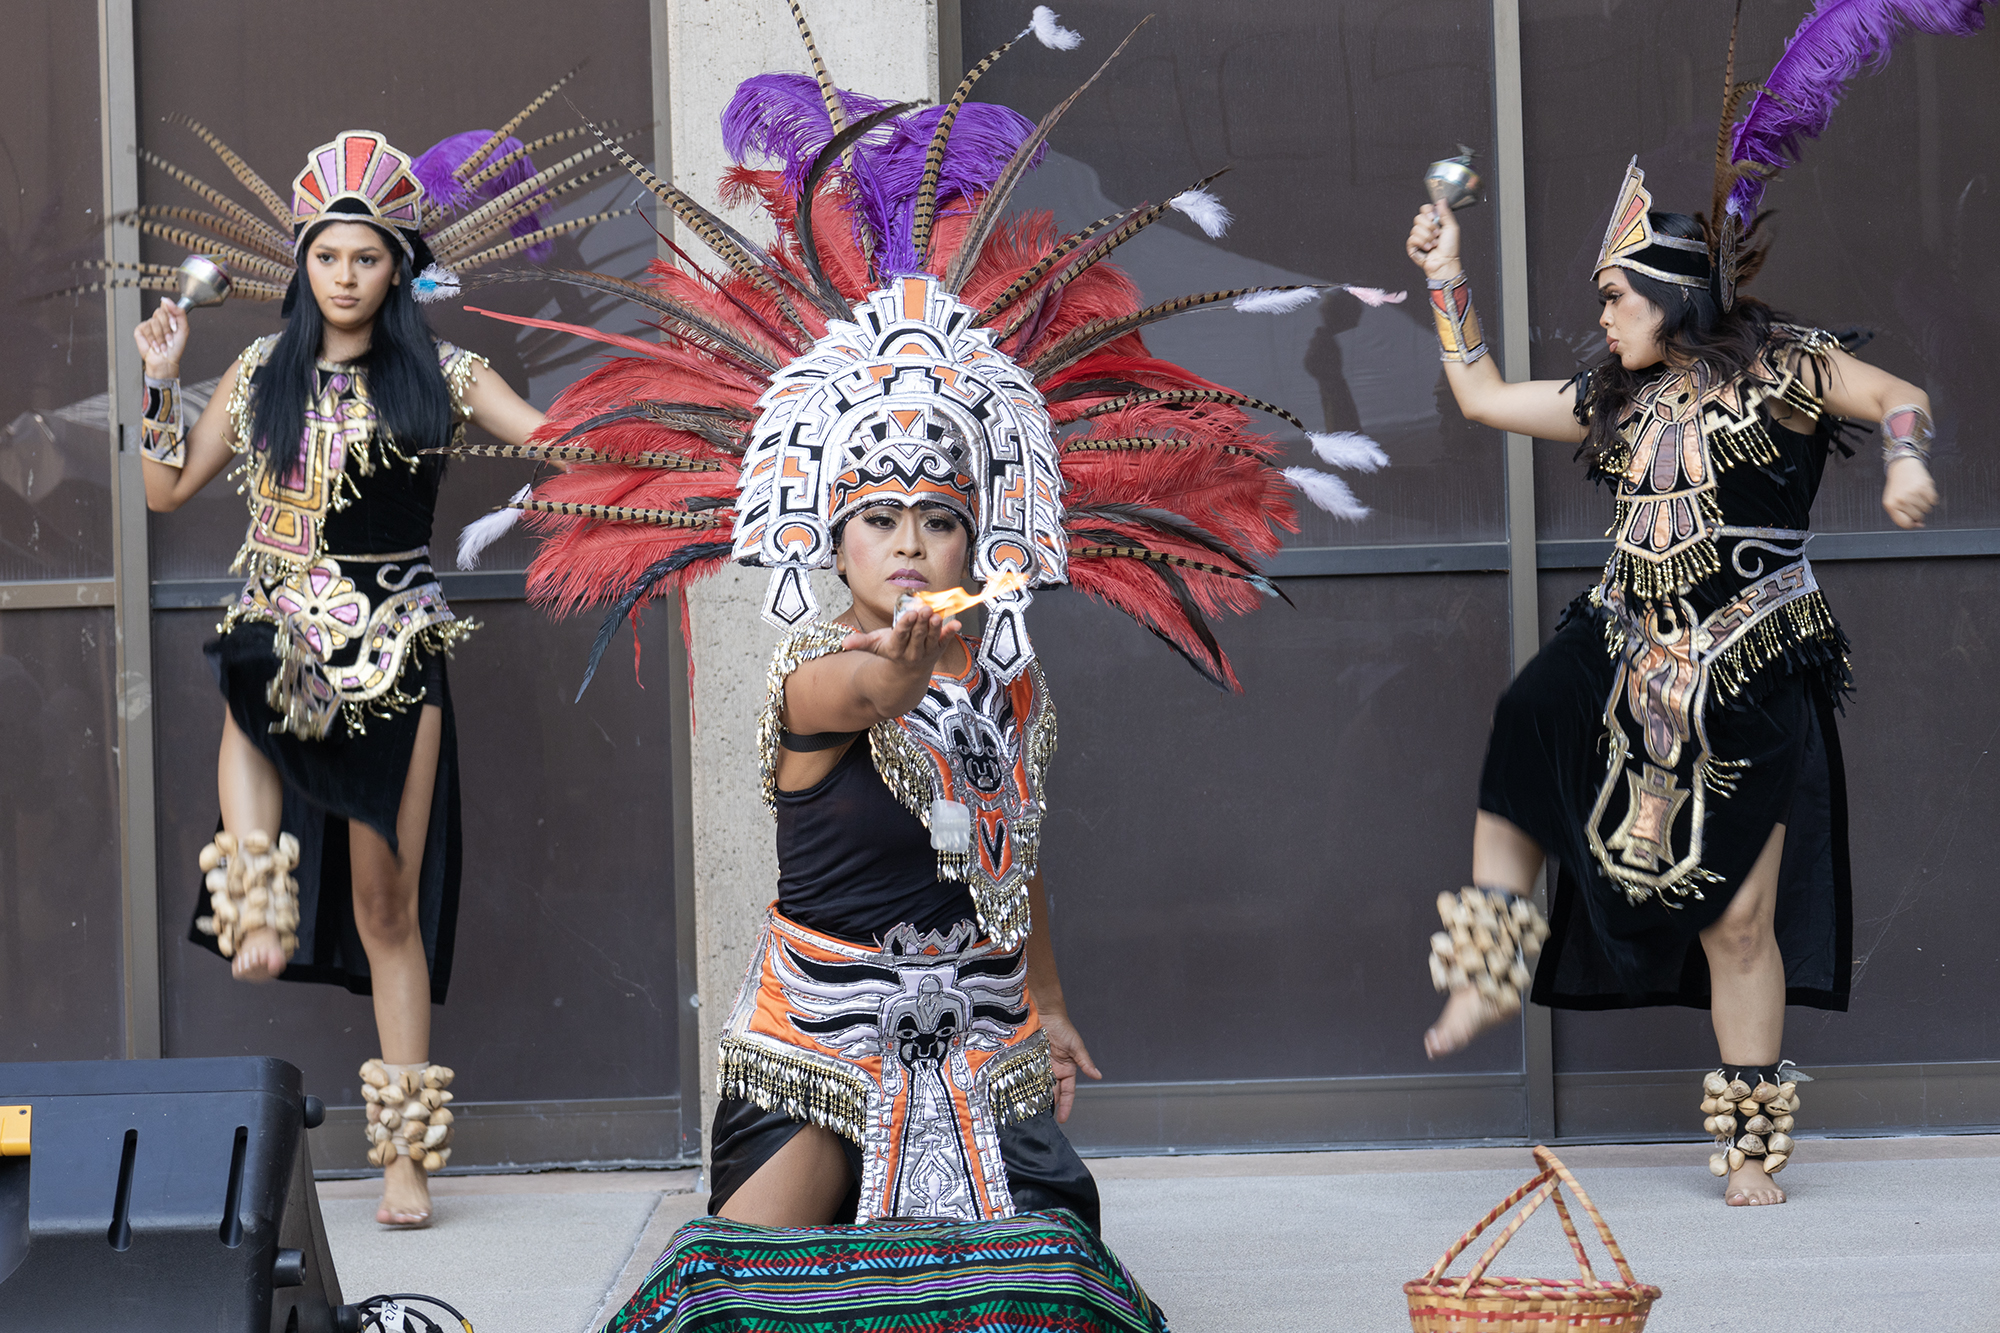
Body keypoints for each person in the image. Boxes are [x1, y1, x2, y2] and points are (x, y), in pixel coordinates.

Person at [470, 5, 1383, 1324]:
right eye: (882, 519)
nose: (910, 541)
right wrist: (903, 669)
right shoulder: (813, 673)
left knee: (1049, 1287)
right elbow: (868, 693)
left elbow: (1009, 852)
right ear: (830, 535)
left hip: (987, 1046)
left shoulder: (1006, 680)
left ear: (980, 527)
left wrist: (1051, 1007)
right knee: (737, 1296)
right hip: (822, 1049)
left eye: (939, 516)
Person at [1402, 1, 1961, 1208]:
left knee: (1740, 920)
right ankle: (1487, 958)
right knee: (1520, 724)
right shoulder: (1615, 400)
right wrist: (1446, 277)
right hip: (1622, 640)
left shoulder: (1792, 366)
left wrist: (1908, 460)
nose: (1600, 317)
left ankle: (1751, 1149)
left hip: (1752, 658)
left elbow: (1899, 393)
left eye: (1613, 296)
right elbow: (1485, 400)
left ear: (1668, 294)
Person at [126, 105, 610, 1227]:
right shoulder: (255, 370)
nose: (345, 274)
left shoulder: (443, 371)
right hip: (279, 618)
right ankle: (253, 901)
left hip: (394, 641)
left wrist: (638, 425)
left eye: (366, 257)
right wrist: (158, 379)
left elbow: (545, 439)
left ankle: (405, 1155)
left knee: (387, 906)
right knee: (248, 678)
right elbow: (163, 491)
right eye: (328, 256)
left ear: (398, 268)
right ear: (303, 264)